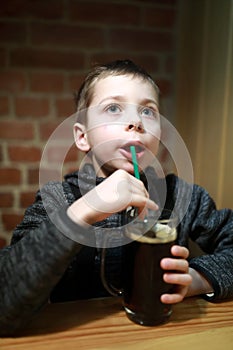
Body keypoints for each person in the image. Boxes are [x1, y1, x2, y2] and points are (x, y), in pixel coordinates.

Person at [0, 59, 233, 336]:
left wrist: (197, 279)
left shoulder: (181, 195)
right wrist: (85, 210)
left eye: (148, 111)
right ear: (83, 136)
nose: (135, 122)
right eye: (113, 108)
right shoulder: (57, 199)